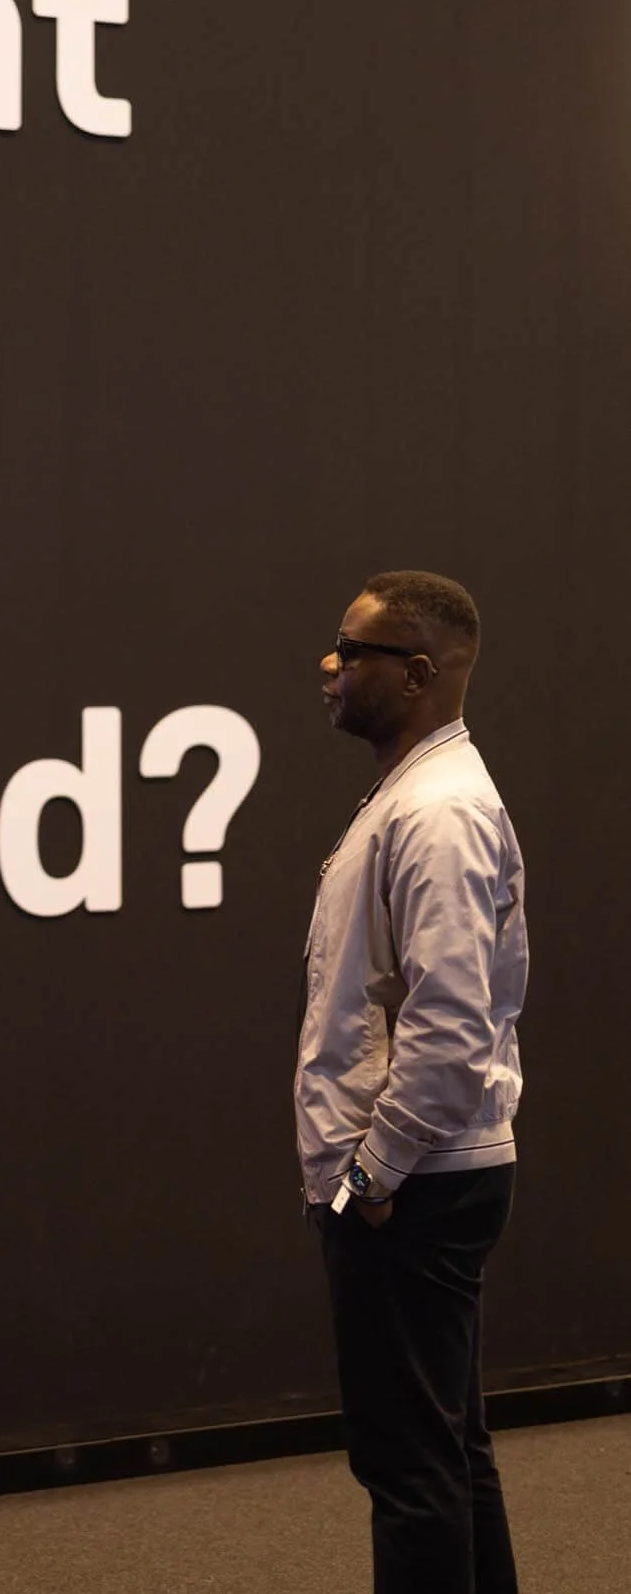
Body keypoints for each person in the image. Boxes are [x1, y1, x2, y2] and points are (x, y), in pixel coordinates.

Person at [296, 570, 529, 1594]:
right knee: (447, 1445)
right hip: (428, 1175)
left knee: (408, 1464)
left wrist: (372, 1175)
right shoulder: (418, 796)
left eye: (352, 651)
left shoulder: (434, 814)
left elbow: (447, 1024)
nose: (329, 667)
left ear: (419, 673)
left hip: (415, 1185)